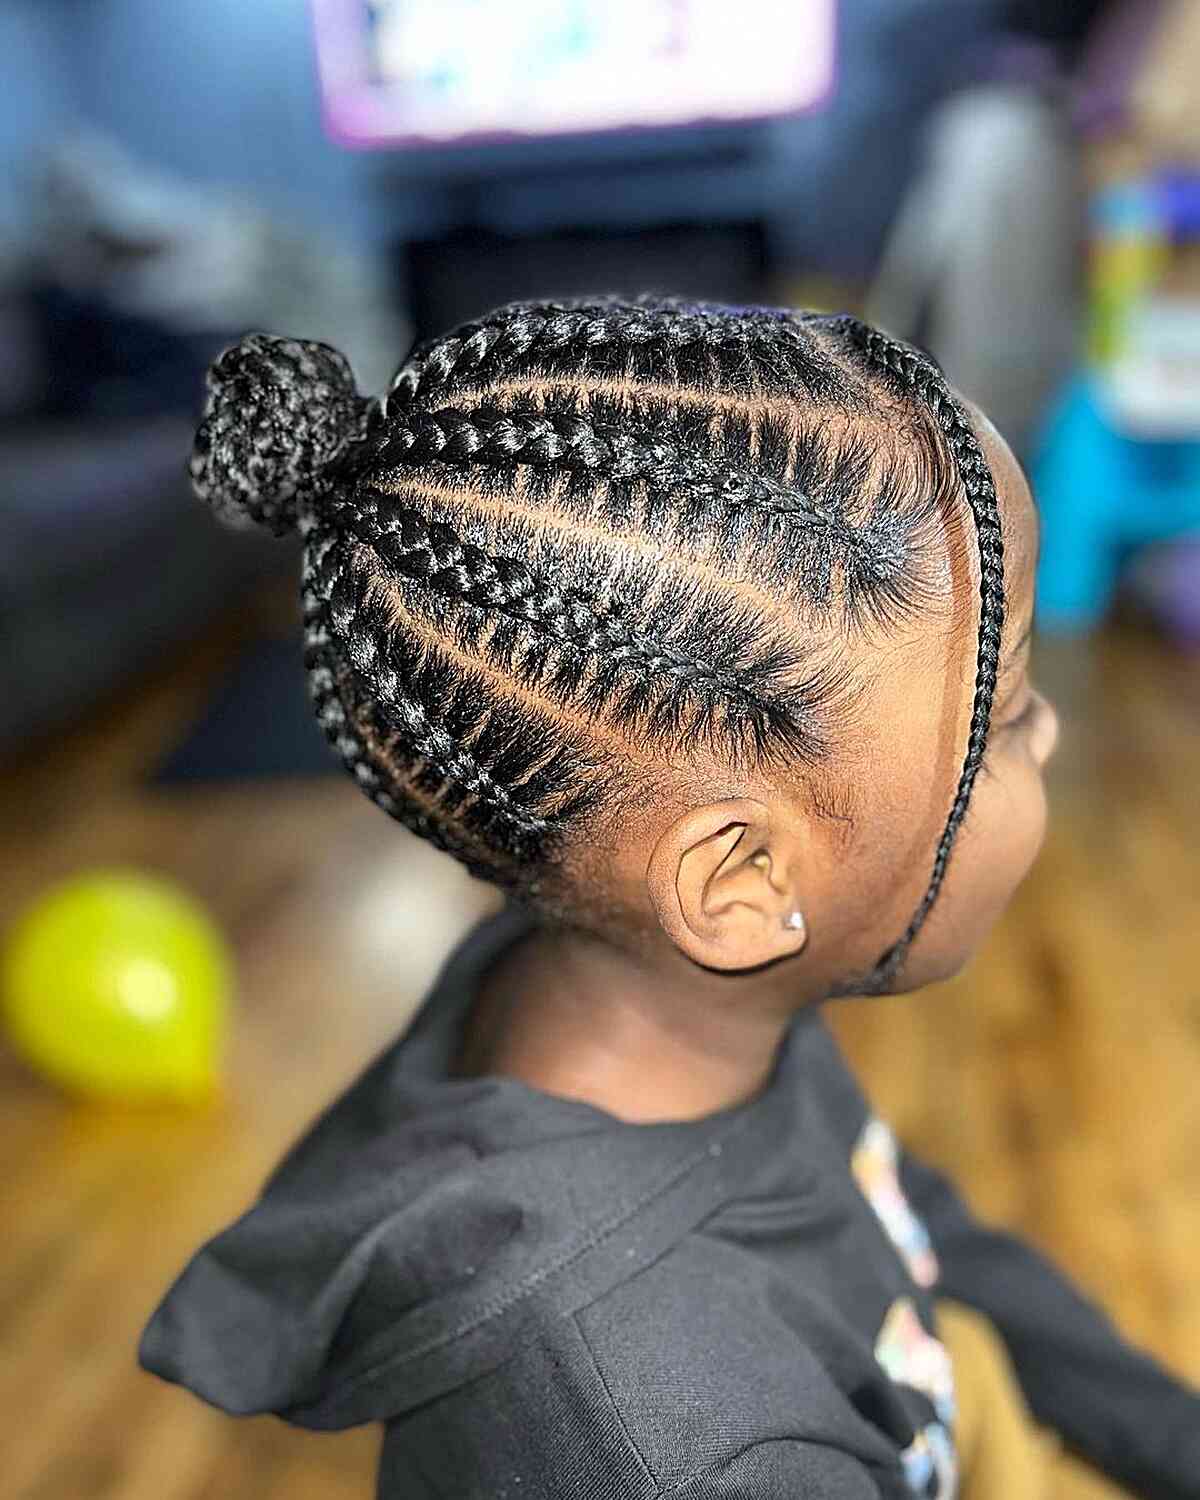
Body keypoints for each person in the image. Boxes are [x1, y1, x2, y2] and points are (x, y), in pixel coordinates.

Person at [140, 299, 1200, 1499]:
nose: (1050, 731)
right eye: (1004, 717)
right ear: (742, 883)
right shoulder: (672, 1452)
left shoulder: (669, 1004)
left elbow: (906, 1220)